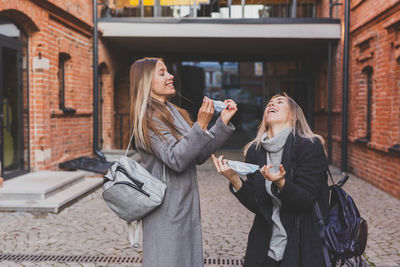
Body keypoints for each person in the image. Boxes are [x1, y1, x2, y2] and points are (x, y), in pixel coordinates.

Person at [129, 57, 238, 267]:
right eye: (162, 73)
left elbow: (196, 154)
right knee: (167, 260)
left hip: (185, 203)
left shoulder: (174, 111)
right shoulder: (148, 117)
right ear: (145, 82)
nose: (170, 76)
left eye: (168, 72)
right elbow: (176, 159)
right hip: (165, 206)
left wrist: (221, 122)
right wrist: (201, 124)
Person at [212, 93, 329, 267]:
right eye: (269, 103)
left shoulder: (309, 146)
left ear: (294, 114)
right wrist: (234, 179)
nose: (271, 104)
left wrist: (281, 184)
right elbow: (258, 205)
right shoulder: (255, 150)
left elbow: (306, 201)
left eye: (279, 102)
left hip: (301, 242)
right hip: (265, 243)